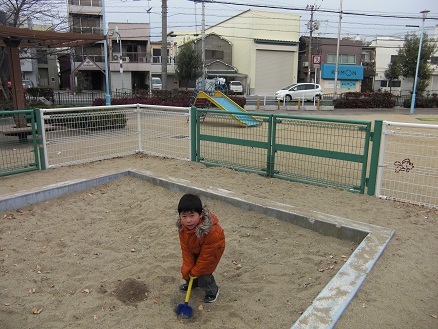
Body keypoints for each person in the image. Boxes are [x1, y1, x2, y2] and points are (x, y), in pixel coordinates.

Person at [176, 193, 225, 303]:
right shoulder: (182, 227)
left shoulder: (211, 231)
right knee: (188, 270)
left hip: (213, 250)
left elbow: (206, 258)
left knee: (204, 273)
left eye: (192, 216)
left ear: (201, 214)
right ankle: (192, 284)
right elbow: (185, 249)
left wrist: (196, 271)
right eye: (184, 216)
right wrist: (188, 267)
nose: (188, 220)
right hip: (195, 247)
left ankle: (212, 291)